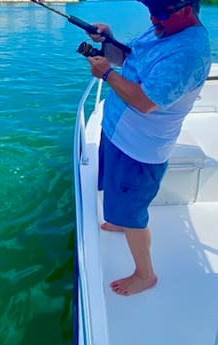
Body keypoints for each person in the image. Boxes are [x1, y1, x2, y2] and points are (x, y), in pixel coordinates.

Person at [85, 0, 211, 296]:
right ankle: (120, 220)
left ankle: (145, 274)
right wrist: (109, 38)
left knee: (134, 214)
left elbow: (145, 102)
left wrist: (107, 76)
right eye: (150, 11)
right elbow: (125, 60)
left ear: (186, 9)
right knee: (119, 202)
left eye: (160, 12)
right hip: (117, 132)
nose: (153, 18)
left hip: (138, 150)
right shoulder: (163, 28)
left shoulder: (188, 53)